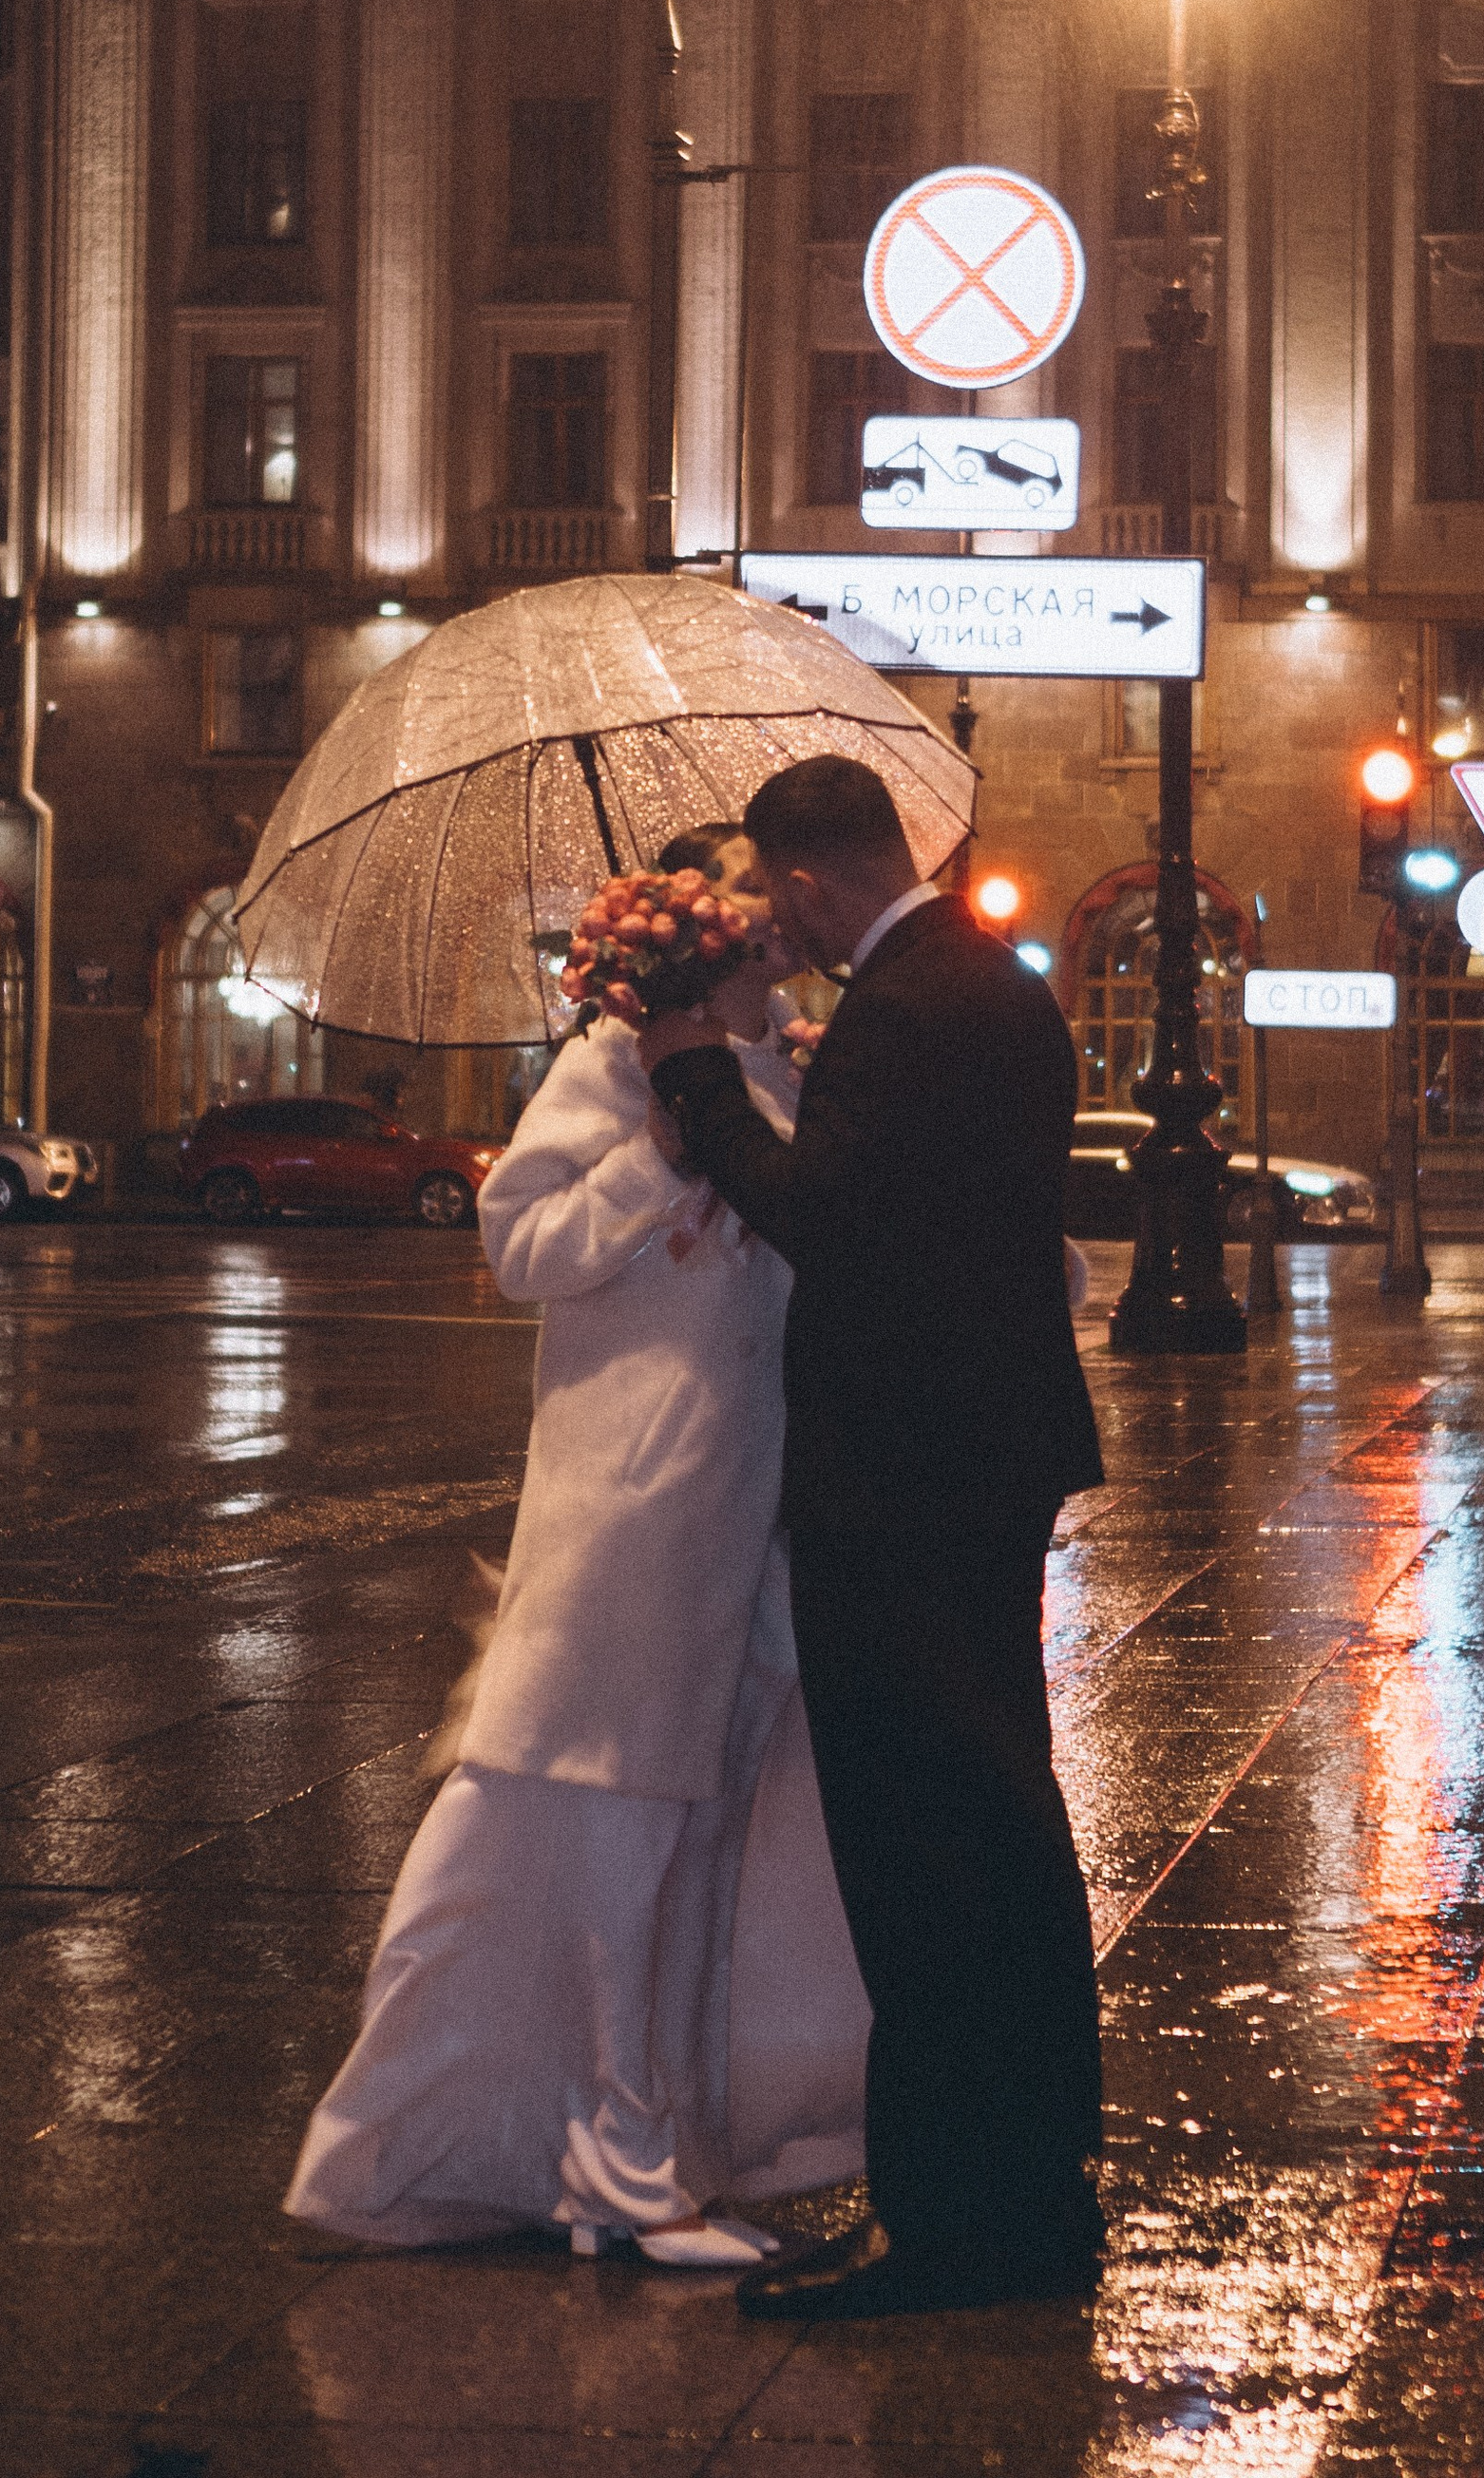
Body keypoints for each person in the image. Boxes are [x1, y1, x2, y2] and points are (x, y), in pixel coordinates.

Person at [284, 825, 868, 2264]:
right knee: (613, 1828)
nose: (777, 913)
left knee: (698, 1832)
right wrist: (661, 1161)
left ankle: (650, 2145)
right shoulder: (608, 1071)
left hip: (755, 1504)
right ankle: (621, 2169)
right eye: (744, 885)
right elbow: (519, 1241)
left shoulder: (792, 1070)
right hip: (633, 1510)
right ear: (693, 937)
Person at [642, 753, 1106, 2321]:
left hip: (902, 1481)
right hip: (978, 1462)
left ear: (811, 883)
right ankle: (1031, 2196)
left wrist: (700, 1068)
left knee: (925, 1861)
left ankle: (958, 2230)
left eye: (782, 895)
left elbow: (819, 1209)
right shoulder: (984, 981)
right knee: (1000, 1829)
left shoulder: (908, 1008)